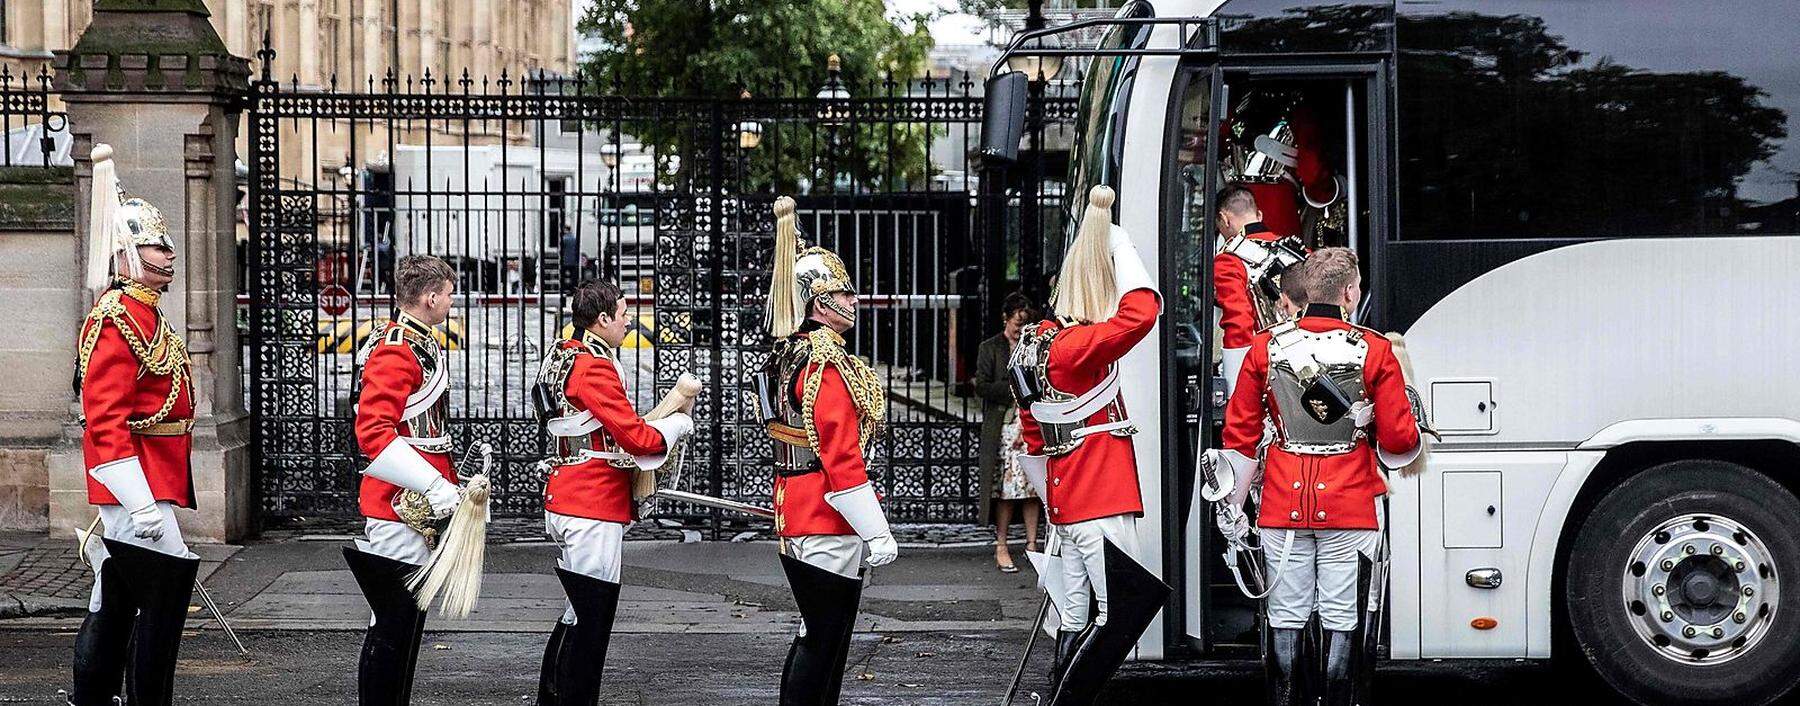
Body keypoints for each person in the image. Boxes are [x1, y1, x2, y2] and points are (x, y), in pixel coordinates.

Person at [1213, 247, 1429, 706]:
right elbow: (1398, 439)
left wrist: (1233, 510)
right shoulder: (1375, 350)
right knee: (1342, 617)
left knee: (1285, 618)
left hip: (1280, 505)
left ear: (1307, 291)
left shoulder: (1264, 347)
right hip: (1349, 504)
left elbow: (1240, 436)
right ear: (1350, 293)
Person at [1010, 185, 1170, 705]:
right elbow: (1142, 314)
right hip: (1100, 493)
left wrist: (1054, 504)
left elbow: (1032, 436)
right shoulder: (1076, 346)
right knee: (1118, 613)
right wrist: (1119, 248)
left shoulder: (1036, 341)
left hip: (1067, 498)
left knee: (1076, 617)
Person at [63, 144, 201, 706]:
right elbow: (105, 419)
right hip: (133, 482)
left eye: (164, 243)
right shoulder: (115, 319)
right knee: (166, 594)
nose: (167, 253)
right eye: (153, 244)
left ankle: (93, 696)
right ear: (126, 255)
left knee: (114, 593)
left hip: (154, 476)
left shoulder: (147, 313)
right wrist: (139, 501)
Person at [757, 196, 899, 705]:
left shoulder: (783, 353)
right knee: (823, 639)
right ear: (819, 302)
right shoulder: (824, 360)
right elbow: (839, 451)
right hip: (826, 510)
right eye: (844, 293)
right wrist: (875, 527)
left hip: (794, 503)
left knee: (814, 634)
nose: (853, 300)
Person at [532, 277, 695, 704]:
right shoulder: (595, 365)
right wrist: (676, 425)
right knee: (592, 622)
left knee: (576, 615)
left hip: (571, 493)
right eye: (623, 315)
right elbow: (639, 441)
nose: (629, 322)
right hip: (592, 502)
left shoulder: (565, 354)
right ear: (602, 319)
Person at [345, 253, 468, 703]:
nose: (453, 302)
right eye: (450, 294)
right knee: (393, 620)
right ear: (431, 297)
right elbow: (374, 432)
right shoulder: (398, 346)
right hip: (400, 502)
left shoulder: (418, 339)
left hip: (417, 501)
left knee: (406, 620)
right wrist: (435, 485)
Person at [1214, 184, 1307, 396]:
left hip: (1265, 368)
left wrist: (1236, 389)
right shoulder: (1300, 252)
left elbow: (1239, 325)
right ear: (1259, 214)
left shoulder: (1228, 261)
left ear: (1224, 219)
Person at [974, 292, 1042, 573]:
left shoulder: (1033, 347)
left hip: (1029, 426)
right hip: (1003, 428)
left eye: (1025, 325)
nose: (1020, 330)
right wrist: (1015, 388)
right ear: (1006, 318)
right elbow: (982, 385)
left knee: (1032, 487)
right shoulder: (990, 348)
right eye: (1016, 324)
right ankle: (1001, 544)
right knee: (1004, 489)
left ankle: (1032, 545)